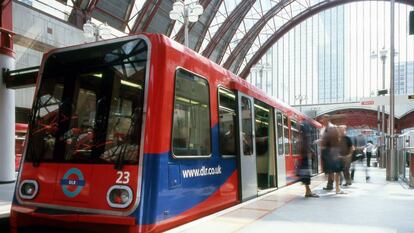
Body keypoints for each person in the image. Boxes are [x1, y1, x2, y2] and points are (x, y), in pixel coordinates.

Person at [297, 122, 319, 198]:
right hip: (306, 157)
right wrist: (312, 152)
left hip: (305, 157)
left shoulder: (302, 137)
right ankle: (308, 191)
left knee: (306, 175)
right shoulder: (305, 137)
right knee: (306, 175)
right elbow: (306, 147)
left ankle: (308, 191)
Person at [317, 114, 335, 191]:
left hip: (329, 151)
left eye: (323, 120)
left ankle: (330, 185)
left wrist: (321, 141)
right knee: (329, 169)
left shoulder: (330, 128)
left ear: (327, 119)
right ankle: (329, 184)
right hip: (327, 151)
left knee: (330, 169)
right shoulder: (326, 128)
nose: (322, 121)